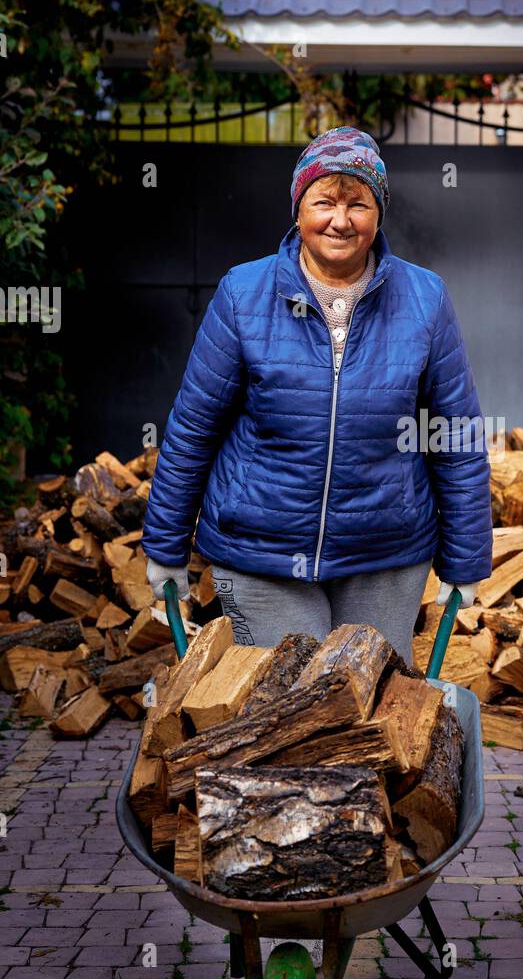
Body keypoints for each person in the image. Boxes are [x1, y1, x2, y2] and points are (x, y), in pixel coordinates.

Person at [141, 125, 494, 668]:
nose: (341, 219)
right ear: (298, 210)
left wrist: (466, 560)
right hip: (261, 549)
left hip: (385, 552)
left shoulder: (425, 299)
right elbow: (193, 427)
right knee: (293, 705)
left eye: (358, 203)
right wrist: (165, 547)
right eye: (324, 200)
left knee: (368, 717)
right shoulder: (244, 292)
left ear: (378, 214)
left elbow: (457, 437)